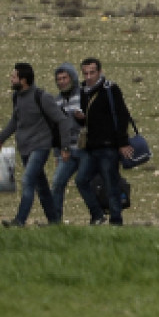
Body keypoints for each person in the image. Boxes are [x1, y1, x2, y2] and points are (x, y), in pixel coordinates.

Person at [0, 62, 75, 227]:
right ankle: (54, 222)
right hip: (24, 147)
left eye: (14, 77)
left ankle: (19, 221)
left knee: (27, 181)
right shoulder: (16, 97)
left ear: (23, 80)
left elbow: (62, 121)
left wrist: (65, 147)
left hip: (40, 147)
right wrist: (1, 138)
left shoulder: (42, 97)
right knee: (42, 187)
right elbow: (15, 120)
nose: (11, 79)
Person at [77, 58, 136, 226]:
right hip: (90, 147)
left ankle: (116, 220)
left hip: (108, 147)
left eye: (92, 72)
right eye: (85, 73)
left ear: (100, 72)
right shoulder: (82, 91)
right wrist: (80, 118)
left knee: (111, 185)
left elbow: (122, 115)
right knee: (81, 180)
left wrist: (122, 142)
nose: (88, 76)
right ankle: (97, 214)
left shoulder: (110, 89)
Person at [49, 63, 96, 222]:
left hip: (85, 149)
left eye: (65, 77)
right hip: (67, 151)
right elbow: (56, 129)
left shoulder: (83, 94)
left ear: (72, 77)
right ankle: (55, 220)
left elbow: (95, 118)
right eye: (59, 79)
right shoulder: (57, 101)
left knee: (83, 182)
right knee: (57, 183)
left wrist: (83, 119)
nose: (62, 81)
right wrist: (57, 153)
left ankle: (97, 215)